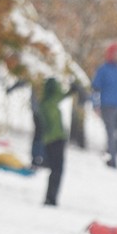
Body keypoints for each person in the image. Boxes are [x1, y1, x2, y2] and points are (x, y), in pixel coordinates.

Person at [39, 77, 67, 207]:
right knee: (57, 170)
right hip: (55, 139)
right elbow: (60, 95)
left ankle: (51, 197)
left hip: (53, 139)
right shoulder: (49, 103)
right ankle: (51, 197)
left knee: (56, 170)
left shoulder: (46, 103)